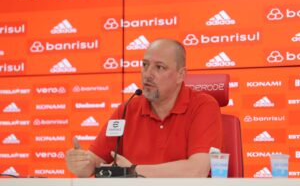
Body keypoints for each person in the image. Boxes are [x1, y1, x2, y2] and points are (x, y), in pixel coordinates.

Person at [66, 38, 222, 177]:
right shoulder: (127, 109)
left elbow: (197, 170)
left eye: (159, 67)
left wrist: (133, 170)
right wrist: (82, 164)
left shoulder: (203, 106)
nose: (148, 74)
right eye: (145, 65)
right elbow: (94, 162)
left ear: (181, 75)